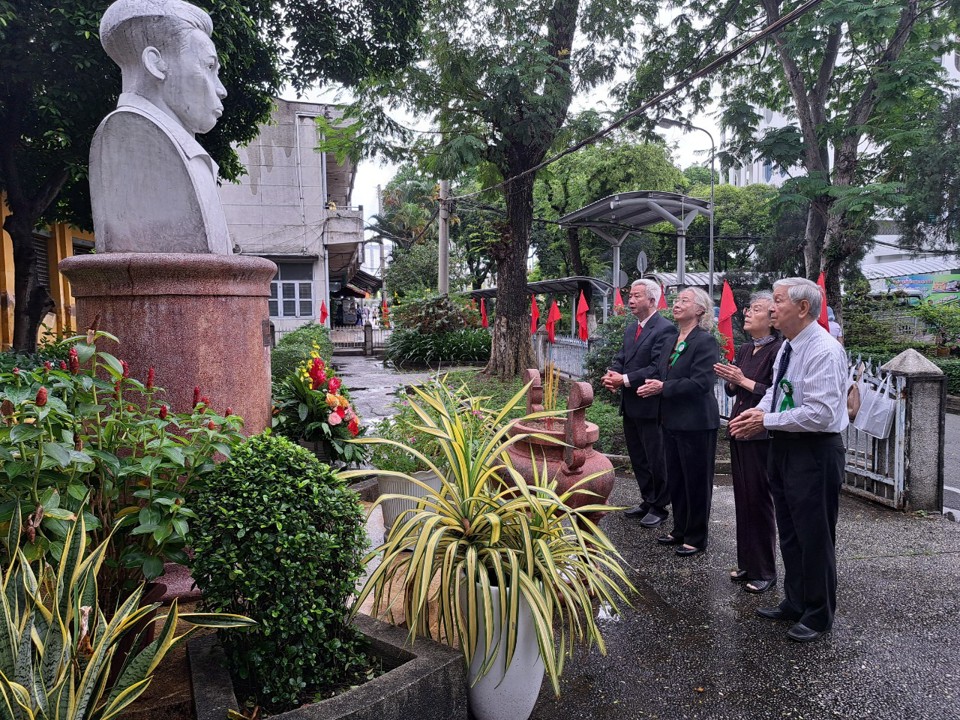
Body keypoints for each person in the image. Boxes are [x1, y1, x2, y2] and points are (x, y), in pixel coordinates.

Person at [728, 277, 848, 643]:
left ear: (802, 308)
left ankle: (819, 613)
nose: (771, 307)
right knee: (791, 532)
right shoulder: (788, 348)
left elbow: (822, 413)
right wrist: (758, 415)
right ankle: (795, 601)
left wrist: (768, 419)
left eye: (778, 301)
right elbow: (779, 394)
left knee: (814, 535)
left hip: (814, 450)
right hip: (783, 446)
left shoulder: (824, 350)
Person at [90, 0, 231, 254]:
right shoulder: (130, 137)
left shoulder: (185, 147)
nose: (221, 90)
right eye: (209, 67)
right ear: (156, 64)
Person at [637, 287, 720, 556]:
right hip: (671, 419)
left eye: (685, 300)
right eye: (676, 300)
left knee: (696, 480)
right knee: (677, 479)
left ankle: (696, 536)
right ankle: (680, 528)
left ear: (700, 310)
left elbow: (701, 382)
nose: (677, 304)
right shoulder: (674, 337)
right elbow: (663, 372)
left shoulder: (704, 341)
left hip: (696, 422)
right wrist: (656, 386)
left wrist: (664, 388)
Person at [713, 292, 782, 593]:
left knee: (759, 500)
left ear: (772, 317)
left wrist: (741, 380)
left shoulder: (779, 350)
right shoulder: (743, 348)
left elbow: (774, 392)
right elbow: (733, 390)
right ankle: (747, 563)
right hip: (738, 427)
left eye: (756, 310)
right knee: (743, 499)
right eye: (748, 309)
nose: (747, 314)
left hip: (760, 433)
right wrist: (731, 379)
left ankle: (765, 570)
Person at [602, 280, 678, 528]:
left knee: (656, 457)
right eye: (630, 295)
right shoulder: (631, 329)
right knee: (638, 456)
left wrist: (623, 379)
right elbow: (622, 358)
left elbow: (657, 367)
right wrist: (612, 374)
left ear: (652, 301)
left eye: (636, 296)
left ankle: (660, 506)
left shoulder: (664, 329)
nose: (630, 301)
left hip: (650, 403)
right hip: (631, 403)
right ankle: (647, 499)